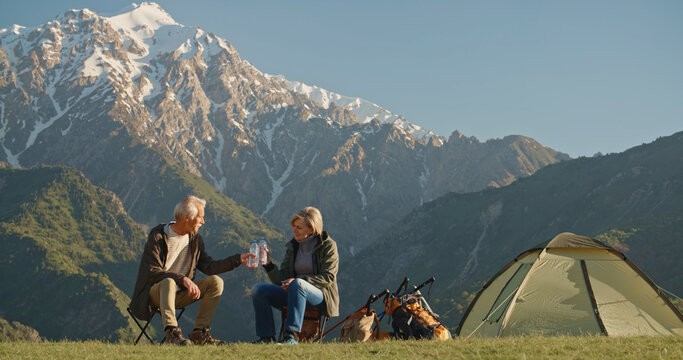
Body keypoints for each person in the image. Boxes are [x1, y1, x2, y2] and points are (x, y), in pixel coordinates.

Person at [129, 196, 255, 345]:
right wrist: (182, 279)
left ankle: (199, 334)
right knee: (168, 281)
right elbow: (152, 271)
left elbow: (209, 267)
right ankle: (173, 334)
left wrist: (238, 259)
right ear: (187, 218)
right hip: (155, 294)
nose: (203, 221)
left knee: (216, 282)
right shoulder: (158, 236)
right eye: (200, 217)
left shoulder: (195, 240)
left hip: (181, 293)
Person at [251, 206, 339, 344]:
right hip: (294, 290)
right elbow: (282, 280)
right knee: (259, 290)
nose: (294, 230)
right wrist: (268, 264)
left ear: (312, 229)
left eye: (299, 227)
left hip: (320, 295)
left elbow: (328, 277)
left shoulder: (328, 246)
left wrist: (300, 280)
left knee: (298, 284)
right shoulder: (293, 247)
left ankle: (291, 337)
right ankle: (265, 338)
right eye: (294, 226)